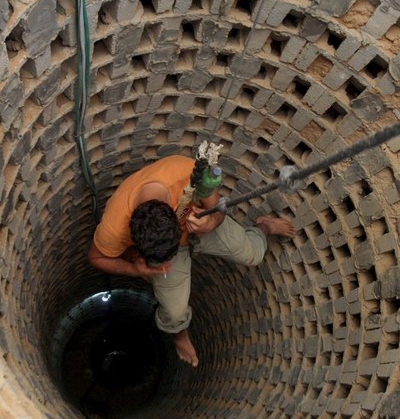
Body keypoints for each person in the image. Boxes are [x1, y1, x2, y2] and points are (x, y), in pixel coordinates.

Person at [87, 154, 295, 367]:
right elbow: (96, 257)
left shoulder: (184, 173)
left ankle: (265, 226)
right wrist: (136, 269)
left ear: (173, 212)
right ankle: (180, 337)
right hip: (167, 243)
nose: (171, 260)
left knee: (254, 254)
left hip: (200, 229)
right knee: (175, 312)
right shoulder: (114, 227)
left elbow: (219, 210)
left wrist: (211, 222)